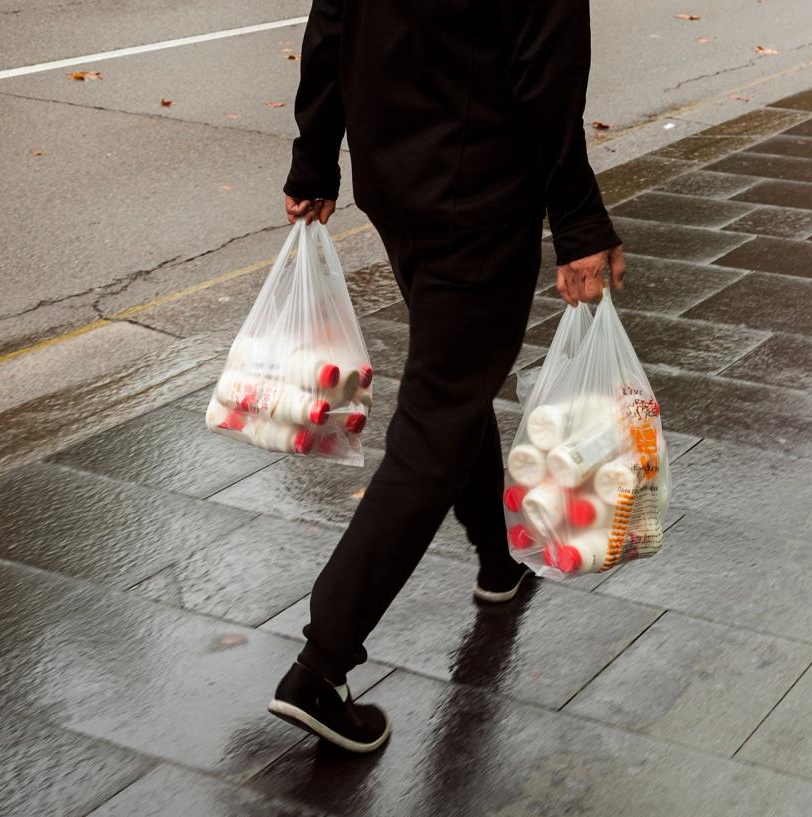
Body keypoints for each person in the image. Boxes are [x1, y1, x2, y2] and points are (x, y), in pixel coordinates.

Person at [267, 0, 625, 753]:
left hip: (396, 185)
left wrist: (314, 156)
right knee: (437, 417)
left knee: (456, 381)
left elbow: (331, 23)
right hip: (481, 198)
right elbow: (547, 83)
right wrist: (581, 224)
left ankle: (498, 562)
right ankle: (321, 666)